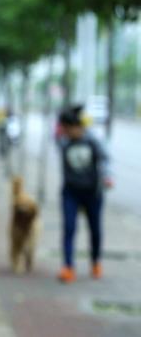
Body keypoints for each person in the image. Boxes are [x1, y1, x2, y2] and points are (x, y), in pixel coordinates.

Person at [56, 105, 112, 283]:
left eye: (67, 128)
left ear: (77, 126)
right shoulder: (63, 141)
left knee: (95, 229)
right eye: (63, 128)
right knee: (69, 228)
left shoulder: (92, 140)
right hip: (70, 192)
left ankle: (95, 261)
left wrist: (107, 177)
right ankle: (68, 266)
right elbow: (55, 132)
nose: (65, 132)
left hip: (92, 193)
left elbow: (105, 160)